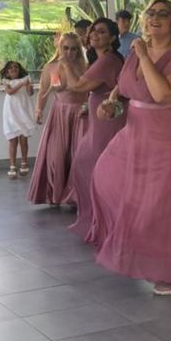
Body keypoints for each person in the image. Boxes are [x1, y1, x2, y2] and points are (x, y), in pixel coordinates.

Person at [89, 0, 171, 296]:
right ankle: (140, 247)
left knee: (166, 202)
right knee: (105, 176)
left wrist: (143, 55)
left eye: (162, 14)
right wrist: (111, 104)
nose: (154, 18)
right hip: (138, 131)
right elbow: (126, 87)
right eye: (150, 14)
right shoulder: (135, 51)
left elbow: (163, 93)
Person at [66, 18, 126, 237]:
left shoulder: (108, 60)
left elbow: (78, 85)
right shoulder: (101, 59)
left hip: (109, 122)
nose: (94, 34)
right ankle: (100, 219)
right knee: (87, 165)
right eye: (93, 31)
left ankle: (107, 221)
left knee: (98, 169)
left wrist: (65, 63)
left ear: (112, 38)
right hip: (100, 122)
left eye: (101, 32)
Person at [27, 33, 89, 206]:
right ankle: (54, 193)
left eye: (75, 48)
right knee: (56, 155)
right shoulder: (51, 67)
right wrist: (38, 109)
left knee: (78, 155)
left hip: (81, 113)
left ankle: (75, 196)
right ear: (60, 48)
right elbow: (44, 91)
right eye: (66, 48)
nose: (70, 52)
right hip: (60, 114)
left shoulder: (85, 66)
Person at [0, 60, 36, 179]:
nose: (14, 69)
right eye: (11, 68)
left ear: (19, 70)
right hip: (11, 113)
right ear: (7, 72)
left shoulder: (26, 79)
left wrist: (29, 86)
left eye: (16, 67)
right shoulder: (6, 82)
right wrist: (21, 84)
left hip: (23, 111)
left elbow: (30, 93)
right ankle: (12, 165)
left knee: (24, 140)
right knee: (13, 141)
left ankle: (24, 163)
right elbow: (10, 92)